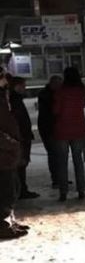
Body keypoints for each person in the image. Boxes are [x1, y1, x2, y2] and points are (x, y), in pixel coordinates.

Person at [0, 67, 29, 239]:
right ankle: (3, 225)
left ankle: (9, 221)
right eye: (3, 76)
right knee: (6, 192)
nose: (6, 80)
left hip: (8, 153)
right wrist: (10, 143)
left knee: (12, 188)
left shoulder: (4, 96)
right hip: (3, 153)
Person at [54, 67, 85, 201]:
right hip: (79, 127)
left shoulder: (60, 92)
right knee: (78, 160)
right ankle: (81, 190)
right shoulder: (82, 91)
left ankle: (63, 192)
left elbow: (56, 110)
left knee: (62, 162)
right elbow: (82, 105)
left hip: (62, 128)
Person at [8, 77, 39, 199]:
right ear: (17, 86)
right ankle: (20, 190)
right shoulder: (14, 100)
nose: (25, 88)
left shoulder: (14, 99)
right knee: (20, 164)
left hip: (21, 136)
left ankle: (20, 189)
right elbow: (18, 120)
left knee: (21, 164)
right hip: (21, 137)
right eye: (23, 85)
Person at [37, 75, 63, 188]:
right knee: (54, 154)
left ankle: (60, 177)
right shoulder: (46, 95)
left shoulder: (46, 94)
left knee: (58, 154)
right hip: (49, 129)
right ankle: (57, 179)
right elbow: (50, 112)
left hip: (51, 127)